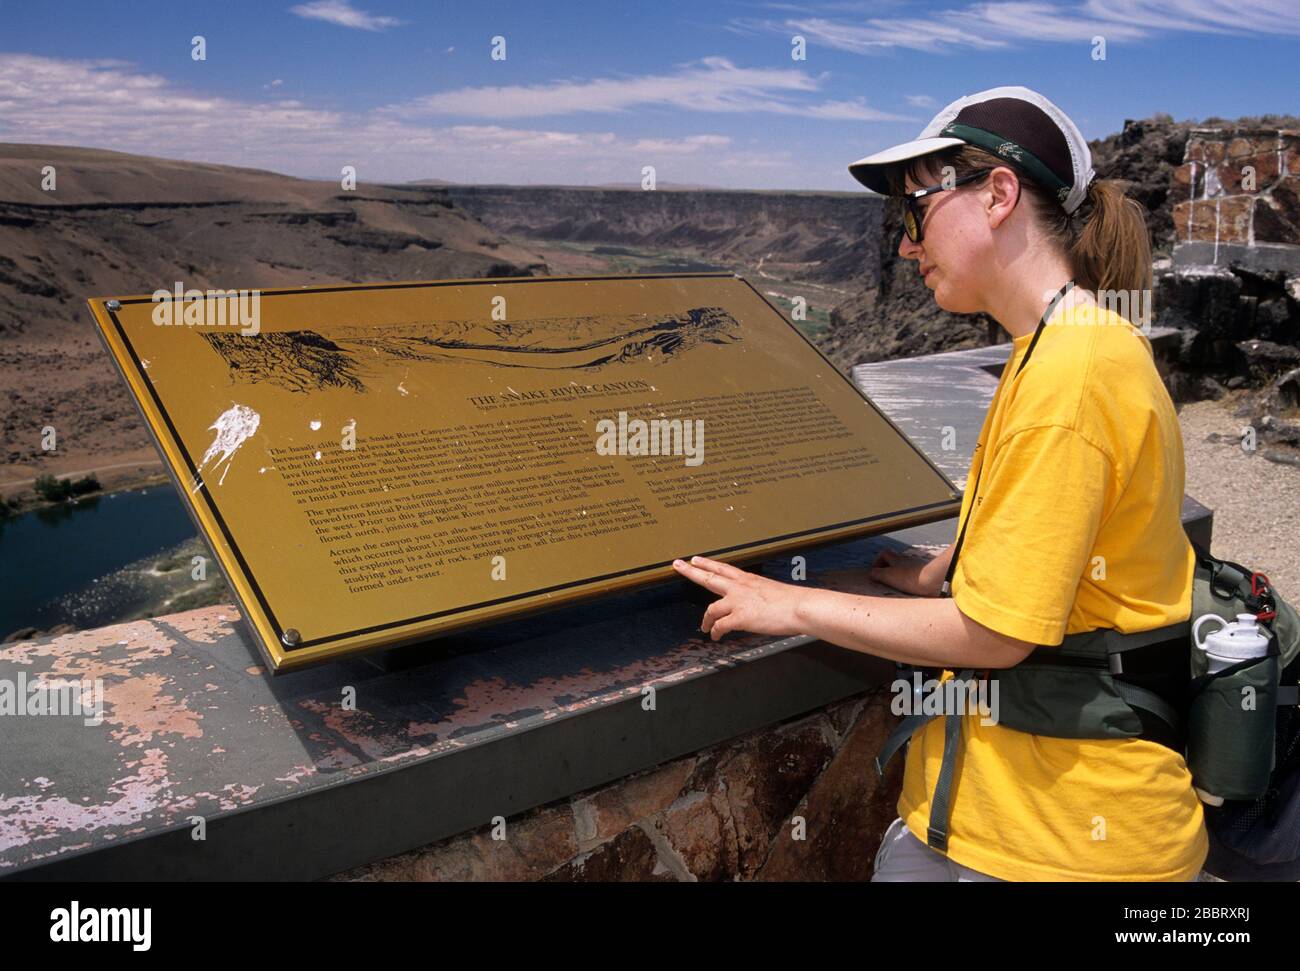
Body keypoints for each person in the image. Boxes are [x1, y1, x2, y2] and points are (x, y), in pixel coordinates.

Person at [671, 86, 1207, 882]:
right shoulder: (1062, 348)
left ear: (997, 195)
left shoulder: (1072, 372)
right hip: (1013, 828)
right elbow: (1064, 542)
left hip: (1061, 848)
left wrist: (791, 604)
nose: (905, 247)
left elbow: (996, 635)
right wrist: (943, 568)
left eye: (914, 211)